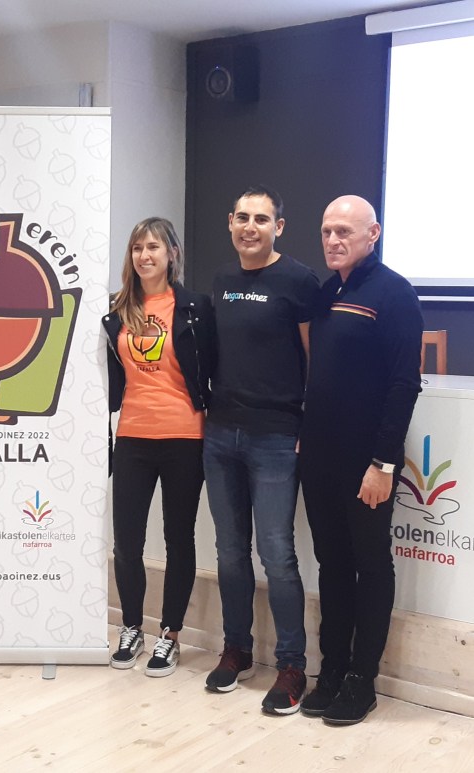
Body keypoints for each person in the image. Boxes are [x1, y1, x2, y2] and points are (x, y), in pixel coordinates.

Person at [299, 195, 422, 725]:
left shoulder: (395, 293)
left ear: (373, 234)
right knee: (331, 565)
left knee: (370, 566)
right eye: (327, 231)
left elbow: (404, 385)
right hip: (320, 458)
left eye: (344, 231)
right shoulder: (327, 293)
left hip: (367, 464)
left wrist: (383, 463)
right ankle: (331, 670)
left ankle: (361, 680)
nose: (333, 240)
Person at [202, 185, 320, 714]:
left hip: (275, 436)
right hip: (221, 434)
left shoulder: (299, 281)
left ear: (279, 227)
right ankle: (238, 650)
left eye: (262, 219)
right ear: (230, 222)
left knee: (277, 554)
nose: (251, 227)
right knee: (230, 551)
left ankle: (292, 665)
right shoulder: (222, 280)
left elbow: (317, 359)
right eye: (243, 218)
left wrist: (307, 424)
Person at [102, 217, 215, 677]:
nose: (144, 256)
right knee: (126, 542)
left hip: (185, 437)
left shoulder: (195, 308)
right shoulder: (116, 310)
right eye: (137, 248)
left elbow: (212, 368)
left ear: (172, 254)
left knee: (178, 539)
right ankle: (132, 627)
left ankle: (170, 634)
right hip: (132, 435)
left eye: (153, 247)